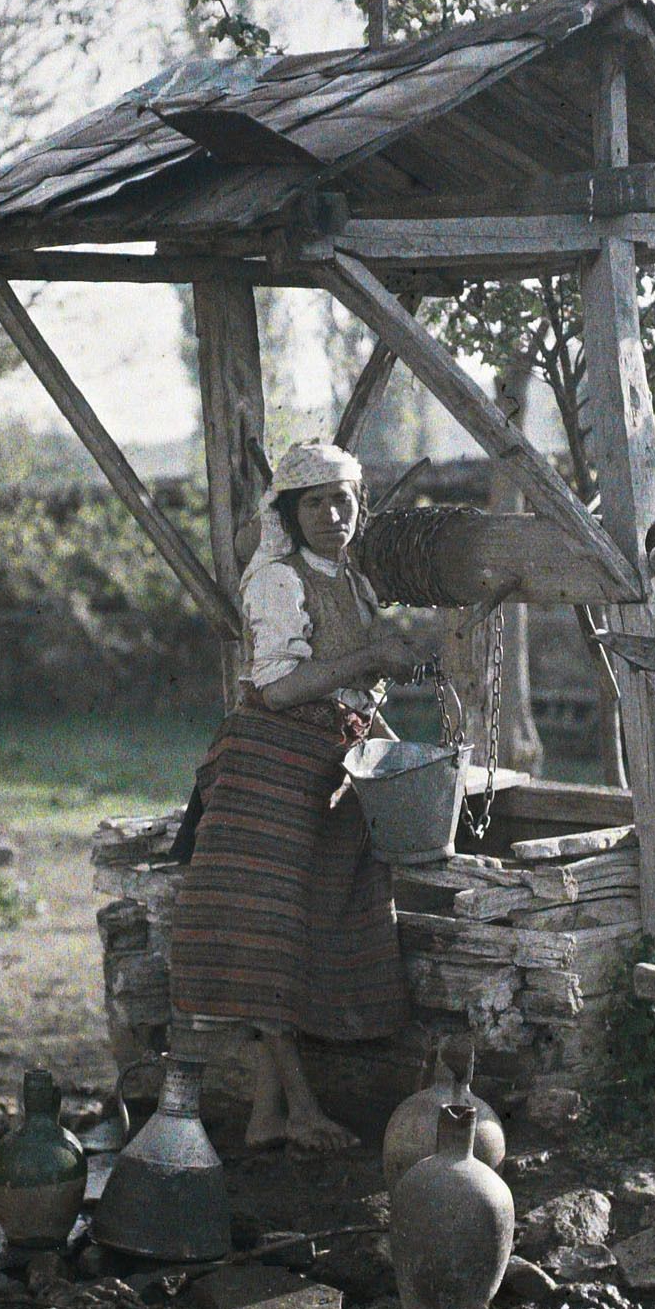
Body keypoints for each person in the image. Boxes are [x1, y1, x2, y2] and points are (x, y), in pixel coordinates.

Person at [168, 441, 437, 1153]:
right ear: (289, 511)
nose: (332, 514)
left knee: (315, 921)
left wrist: (396, 748)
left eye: (343, 500)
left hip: (328, 763)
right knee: (269, 934)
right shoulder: (276, 582)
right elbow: (278, 688)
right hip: (268, 767)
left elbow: (352, 688)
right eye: (315, 501)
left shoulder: (350, 580)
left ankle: (265, 1114)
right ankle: (303, 1110)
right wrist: (370, 657)